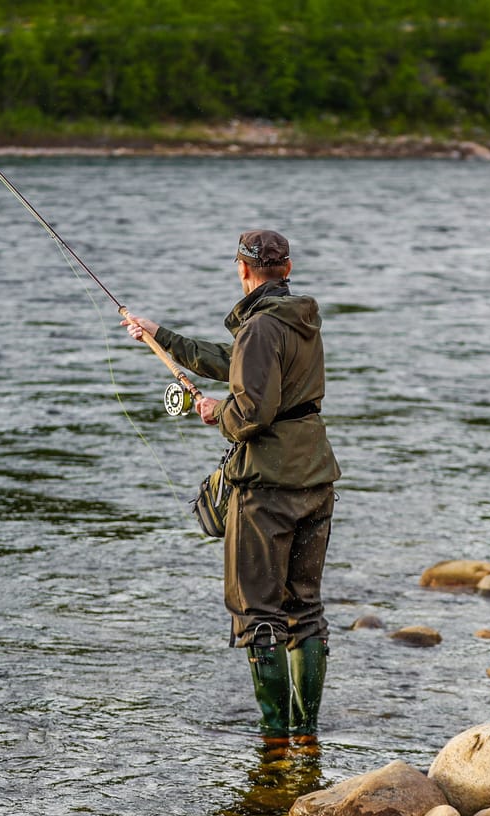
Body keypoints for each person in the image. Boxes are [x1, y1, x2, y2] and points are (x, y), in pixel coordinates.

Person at [123, 229, 341, 746]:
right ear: (285, 269)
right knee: (304, 608)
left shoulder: (261, 328)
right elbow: (241, 364)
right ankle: (305, 733)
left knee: (258, 613)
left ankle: (274, 738)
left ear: (243, 270)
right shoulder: (299, 319)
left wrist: (214, 411)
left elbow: (250, 410)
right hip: (315, 476)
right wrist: (163, 337)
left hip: (267, 486)